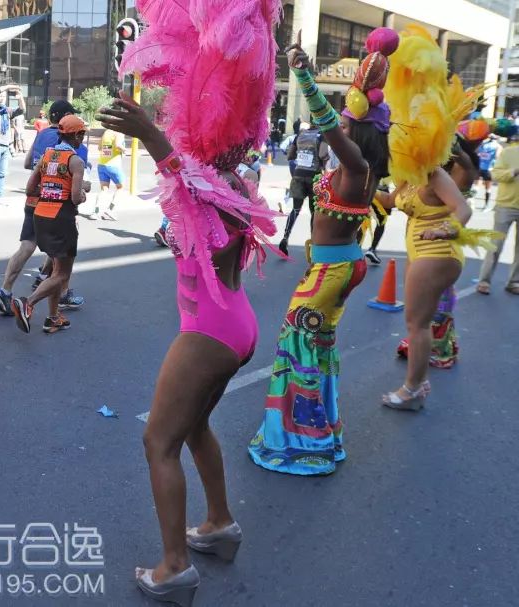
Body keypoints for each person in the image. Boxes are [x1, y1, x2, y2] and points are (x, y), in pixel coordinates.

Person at [100, 0, 282, 598]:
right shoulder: (233, 183)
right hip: (234, 324)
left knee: (158, 441)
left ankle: (174, 566)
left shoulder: (209, 186)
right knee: (197, 424)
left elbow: (183, 177)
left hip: (209, 330)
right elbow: (188, 182)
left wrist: (151, 134)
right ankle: (220, 524)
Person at [248, 29, 396, 475]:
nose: (338, 129)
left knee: (298, 344)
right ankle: (318, 429)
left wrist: (303, 74)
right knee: (315, 344)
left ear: (357, 133)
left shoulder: (356, 165)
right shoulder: (362, 170)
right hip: (337, 264)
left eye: (346, 126)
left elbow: (327, 124)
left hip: (333, 270)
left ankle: (303, 440)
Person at [377, 28, 500, 410]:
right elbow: (387, 201)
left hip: (439, 252)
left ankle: (413, 389)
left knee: (416, 324)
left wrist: (447, 228)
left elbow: (464, 209)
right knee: (417, 322)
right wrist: (347, 186)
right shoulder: (408, 176)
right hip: (421, 252)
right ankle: (417, 384)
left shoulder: (435, 174)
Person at [0, 99, 88, 316]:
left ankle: (6, 291)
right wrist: (80, 189)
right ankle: (50, 295)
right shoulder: (75, 154)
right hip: (59, 211)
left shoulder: (42, 136)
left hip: (35, 205)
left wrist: (46, 187)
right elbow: (74, 188)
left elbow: (28, 165)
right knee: (61, 262)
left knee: (27, 246)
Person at [477, 131, 519, 295]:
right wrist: (513, 172)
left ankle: (514, 282)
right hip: (506, 205)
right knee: (495, 246)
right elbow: (495, 174)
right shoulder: (509, 152)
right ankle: (484, 281)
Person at [279, 123, 329, 255]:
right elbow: (323, 154)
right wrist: (325, 159)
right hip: (314, 177)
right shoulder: (321, 135)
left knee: (295, 209)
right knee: (314, 211)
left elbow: (290, 156)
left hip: (298, 175)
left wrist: (301, 153)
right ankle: (313, 243)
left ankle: (285, 237)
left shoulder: (300, 135)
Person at [93, 127, 127, 220]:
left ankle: (96, 212)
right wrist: (125, 150)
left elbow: (99, 147)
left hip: (102, 165)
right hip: (113, 165)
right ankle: (110, 209)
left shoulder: (106, 132)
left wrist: (108, 150)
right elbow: (118, 145)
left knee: (104, 189)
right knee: (121, 187)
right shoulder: (119, 132)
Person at [476, 136, 500, 210]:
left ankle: (471, 201)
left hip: (479, 168)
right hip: (489, 169)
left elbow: (477, 153)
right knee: (488, 188)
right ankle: (486, 206)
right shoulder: (497, 146)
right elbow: (497, 157)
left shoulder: (483, 144)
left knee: (476, 186)